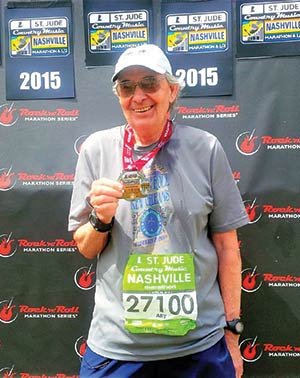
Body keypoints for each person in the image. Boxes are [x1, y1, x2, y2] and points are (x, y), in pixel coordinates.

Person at [68, 44, 249, 378]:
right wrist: (100, 219)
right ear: (118, 95)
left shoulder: (205, 148)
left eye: (149, 83)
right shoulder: (96, 150)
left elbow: (227, 247)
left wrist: (232, 333)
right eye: (127, 86)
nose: (139, 96)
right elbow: (85, 246)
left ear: (172, 91)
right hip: (118, 347)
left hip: (198, 346)